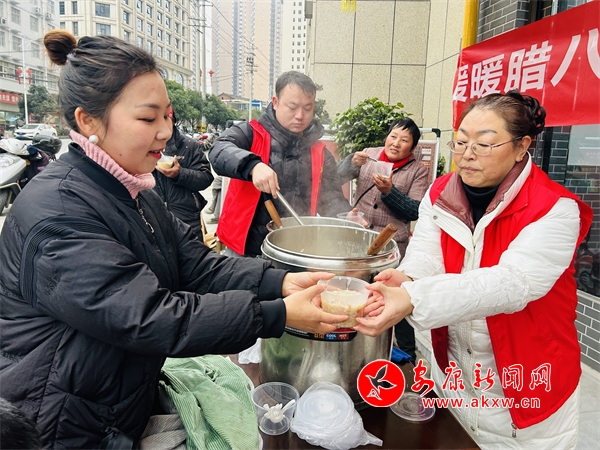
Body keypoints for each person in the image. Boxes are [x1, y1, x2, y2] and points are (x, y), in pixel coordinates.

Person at [0, 31, 348, 449]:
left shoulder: (134, 191)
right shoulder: (58, 212)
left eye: (167, 116)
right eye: (148, 119)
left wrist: (281, 282)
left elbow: (195, 264)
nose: (166, 131)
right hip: (59, 423)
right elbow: (150, 317)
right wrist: (279, 314)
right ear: (88, 121)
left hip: (113, 402)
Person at [355, 91, 593, 448]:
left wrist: (413, 298)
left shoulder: (555, 208)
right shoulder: (440, 193)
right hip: (454, 375)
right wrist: (408, 278)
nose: (467, 154)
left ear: (521, 146)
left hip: (526, 382)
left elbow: (512, 283)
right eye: (462, 142)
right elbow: (427, 254)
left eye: (483, 144)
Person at [209, 71, 351, 257]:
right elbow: (218, 150)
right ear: (275, 102)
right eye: (292, 107)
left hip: (295, 249)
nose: (300, 115)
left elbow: (331, 198)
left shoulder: (320, 152)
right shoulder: (251, 133)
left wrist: (347, 217)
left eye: (307, 108)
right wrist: (253, 166)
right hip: (245, 249)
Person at [337, 118, 430, 360]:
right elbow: (335, 178)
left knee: (394, 296)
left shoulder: (418, 170)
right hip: (359, 241)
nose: (396, 143)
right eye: (393, 136)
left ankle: (407, 356)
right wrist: (350, 163)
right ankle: (355, 346)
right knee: (356, 292)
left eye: (404, 140)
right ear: (386, 137)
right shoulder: (369, 155)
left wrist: (390, 191)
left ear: (412, 147)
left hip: (392, 247)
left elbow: (415, 210)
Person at [153, 108, 213, 240]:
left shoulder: (189, 146)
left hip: (187, 219)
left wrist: (180, 174)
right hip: (153, 220)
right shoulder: (143, 145)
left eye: (165, 118)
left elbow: (206, 178)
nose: (161, 124)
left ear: (173, 121)